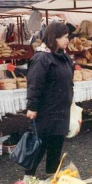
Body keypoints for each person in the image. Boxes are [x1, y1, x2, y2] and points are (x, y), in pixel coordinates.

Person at [25, 22, 74, 176]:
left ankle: (51, 176)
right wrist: (32, 107)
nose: (68, 40)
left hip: (60, 110)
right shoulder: (41, 58)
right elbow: (34, 84)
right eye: (65, 37)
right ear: (55, 37)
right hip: (47, 110)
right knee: (40, 145)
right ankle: (28, 177)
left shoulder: (63, 56)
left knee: (56, 146)